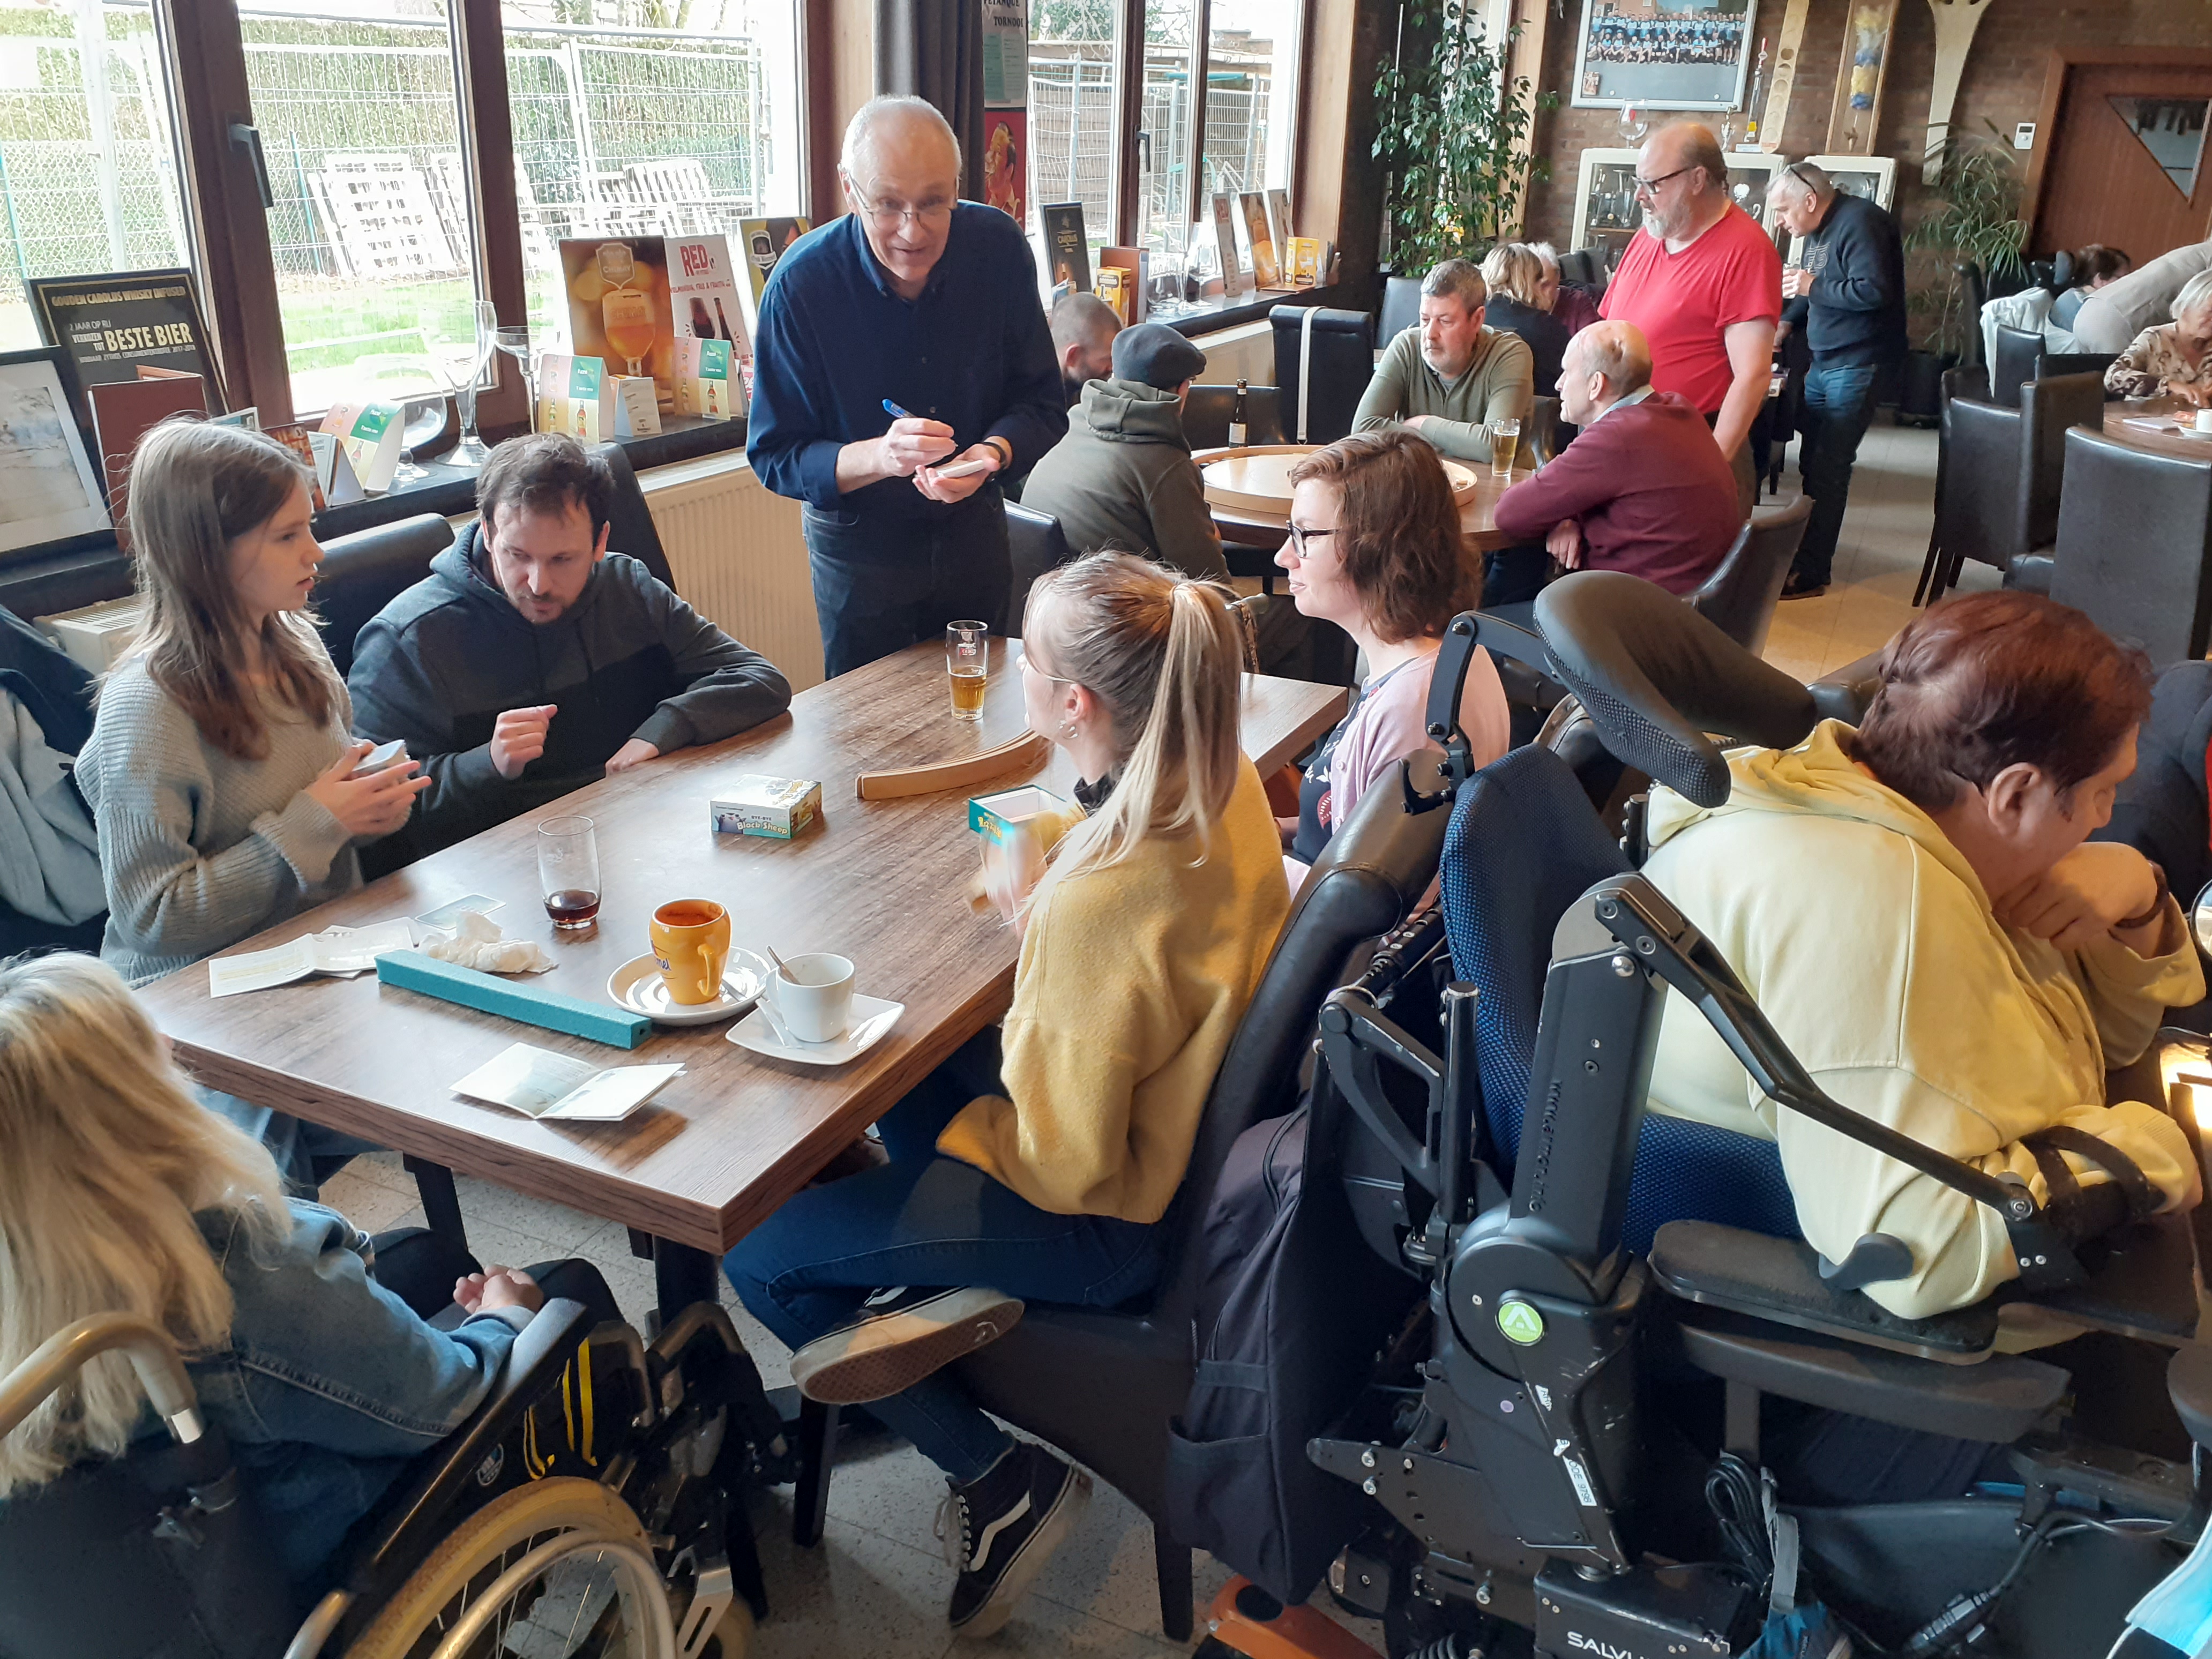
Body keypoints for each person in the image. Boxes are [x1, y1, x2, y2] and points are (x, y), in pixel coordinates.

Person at [723, 552, 1290, 1638]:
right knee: (916, 1046)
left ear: (1072, 701)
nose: (1020, 673)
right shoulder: (1226, 789)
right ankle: (927, 1305)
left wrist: (1046, 943)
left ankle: (995, 1476)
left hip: (1102, 1218)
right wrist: (1052, 899)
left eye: (1028, 658)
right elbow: (1139, 910)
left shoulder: (1099, 907)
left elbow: (1064, 1158)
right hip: (1175, 1161)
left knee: (761, 1254)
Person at [1642, 592, 2203, 1324]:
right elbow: (1911, 1250)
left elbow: (2103, 1041)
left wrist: (2135, 895)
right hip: (1859, 1349)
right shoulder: (1880, 910)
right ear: (2017, 794)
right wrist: (2153, 1151)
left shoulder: (1898, 811)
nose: (2106, 816)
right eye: (2103, 793)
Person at [0, 952, 624, 1591]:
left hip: (174, 1579)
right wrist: (504, 1317)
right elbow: (443, 1399)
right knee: (567, 1292)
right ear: (130, 1117)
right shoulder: (239, 1275)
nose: (167, 1045)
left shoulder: (36, 1289)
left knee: (429, 1254)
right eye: (143, 1048)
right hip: (347, 1549)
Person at [75, 422, 431, 990]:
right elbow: (150, 917)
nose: (315, 552)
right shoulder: (145, 707)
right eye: (287, 536)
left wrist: (369, 806)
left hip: (324, 957)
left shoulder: (298, 643)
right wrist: (318, 824)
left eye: (308, 528)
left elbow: (324, 830)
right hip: (197, 1001)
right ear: (206, 554)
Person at [347, 434, 789, 865]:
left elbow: (759, 680)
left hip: (635, 843)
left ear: (600, 542)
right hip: (494, 873)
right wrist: (489, 762)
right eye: (517, 555)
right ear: (486, 531)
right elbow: (374, 816)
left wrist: (660, 732)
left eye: (562, 560)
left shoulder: (627, 588)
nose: (538, 584)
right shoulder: (407, 639)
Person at [746, 95, 1063, 678]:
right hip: (860, 554)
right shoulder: (800, 287)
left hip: (975, 536)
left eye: (934, 204)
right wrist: (880, 455)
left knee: (983, 721)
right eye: (888, 205)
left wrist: (989, 456)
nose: (912, 232)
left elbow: (1043, 402)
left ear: (958, 186)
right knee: (869, 737)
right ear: (850, 189)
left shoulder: (997, 250)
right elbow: (774, 455)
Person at [1277, 430, 1510, 881]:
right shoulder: (1447, 651)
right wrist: (1275, 832)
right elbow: (1347, 831)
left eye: (1304, 535)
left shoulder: (1410, 711)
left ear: (1377, 547)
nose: (1285, 556)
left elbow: (1368, 912)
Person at [1598, 121, 1781, 519]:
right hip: (1618, 440)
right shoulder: (1649, 235)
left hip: (1690, 448)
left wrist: (1708, 468)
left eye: (1653, 184)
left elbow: (1753, 377)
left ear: (1698, 179)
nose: (1640, 196)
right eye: (1637, 182)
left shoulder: (1746, 249)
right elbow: (1608, 329)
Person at [1490, 321, 1740, 596]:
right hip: (1695, 609)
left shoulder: (1617, 437)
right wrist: (1566, 517)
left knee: (1491, 603)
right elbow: (1600, 488)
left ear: (1596, 384)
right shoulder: (1678, 410)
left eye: (1566, 372)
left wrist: (1559, 514)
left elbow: (1509, 513)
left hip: (1629, 617)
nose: (1559, 384)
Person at [1767, 161, 1907, 599]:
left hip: (1858, 362)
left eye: (1784, 210)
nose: (1780, 222)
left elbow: (1873, 291)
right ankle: (1805, 554)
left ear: (1810, 200)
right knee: (1812, 462)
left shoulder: (1862, 222)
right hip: (1824, 359)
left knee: (1829, 468)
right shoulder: (1817, 231)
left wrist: (1812, 286)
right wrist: (1787, 322)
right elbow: (1811, 292)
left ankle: (1812, 571)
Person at [1019, 321, 1227, 585]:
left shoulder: (1072, 423)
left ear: (1115, 372)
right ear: (1184, 388)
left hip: (1046, 608)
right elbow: (1207, 582)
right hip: (1119, 617)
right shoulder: (1165, 463)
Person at [1352, 258, 1535, 466]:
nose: (1430, 334)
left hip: (1499, 489)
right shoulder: (1406, 346)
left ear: (1477, 320)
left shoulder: (1509, 354)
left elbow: (1494, 445)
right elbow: (1363, 428)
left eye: (1445, 321)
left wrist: (1424, 425)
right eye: (1424, 320)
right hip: (1423, 483)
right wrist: (1463, 443)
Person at [2072, 236, 2212, 354]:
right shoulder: (2207, 261)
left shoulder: (2197, 252)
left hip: (2091, 309)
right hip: (2117, 326)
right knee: (2120, 382)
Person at [2104, 270, 2212, 403]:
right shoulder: (2155, 338)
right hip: (2143, 419)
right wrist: (2169, 386)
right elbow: (2113, 378)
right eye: (2210, 312)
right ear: (2187, 307)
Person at [1478, 242, 1573, 392]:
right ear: (1533, 281)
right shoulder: (1548, 329)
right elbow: (1570, 381)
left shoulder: (1474, 318)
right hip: (1536, 412)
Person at [1048, 290, 1122, 409]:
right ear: (1073, 356)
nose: (1114, 367)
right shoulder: (1041, 412)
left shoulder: (1081, 384)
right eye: (1109, 359)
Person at [2049, 243, 2133, 337]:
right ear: (2100, 279)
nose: (2127, 283)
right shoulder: (2094, 313)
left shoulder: (2068, 296)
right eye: (2123, 278)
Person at [1530, 242, 1603, 336]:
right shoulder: (1517, 305)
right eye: (1530, 285)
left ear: (1558, 277)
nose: (1537, 293)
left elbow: (1592, 343)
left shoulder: (1578, 302)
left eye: (1545, 285)